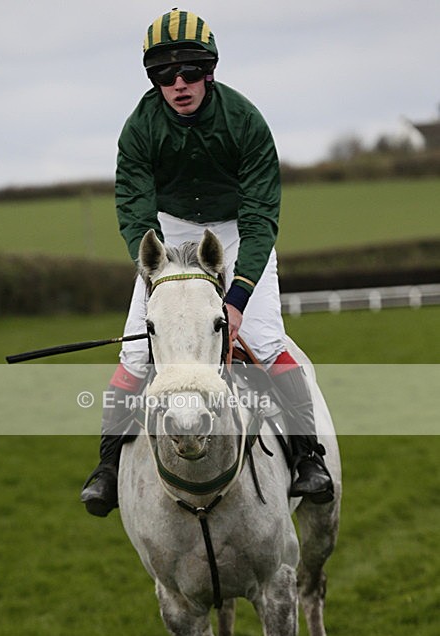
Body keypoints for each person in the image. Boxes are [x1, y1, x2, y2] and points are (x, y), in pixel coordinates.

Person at [81, 8, 333, 516]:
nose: (178, 84)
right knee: (135, 353)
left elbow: (262, 216)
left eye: (190, 72)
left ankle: (309, 457)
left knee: (262, 339)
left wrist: (235, 298)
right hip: (169, 235)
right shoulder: (138, 129)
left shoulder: (245, 121)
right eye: (164, 76)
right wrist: (153, 272)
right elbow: (134, 209)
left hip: (237, 233)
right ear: (153, 81)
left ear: (210, 71)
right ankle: (107, 467)